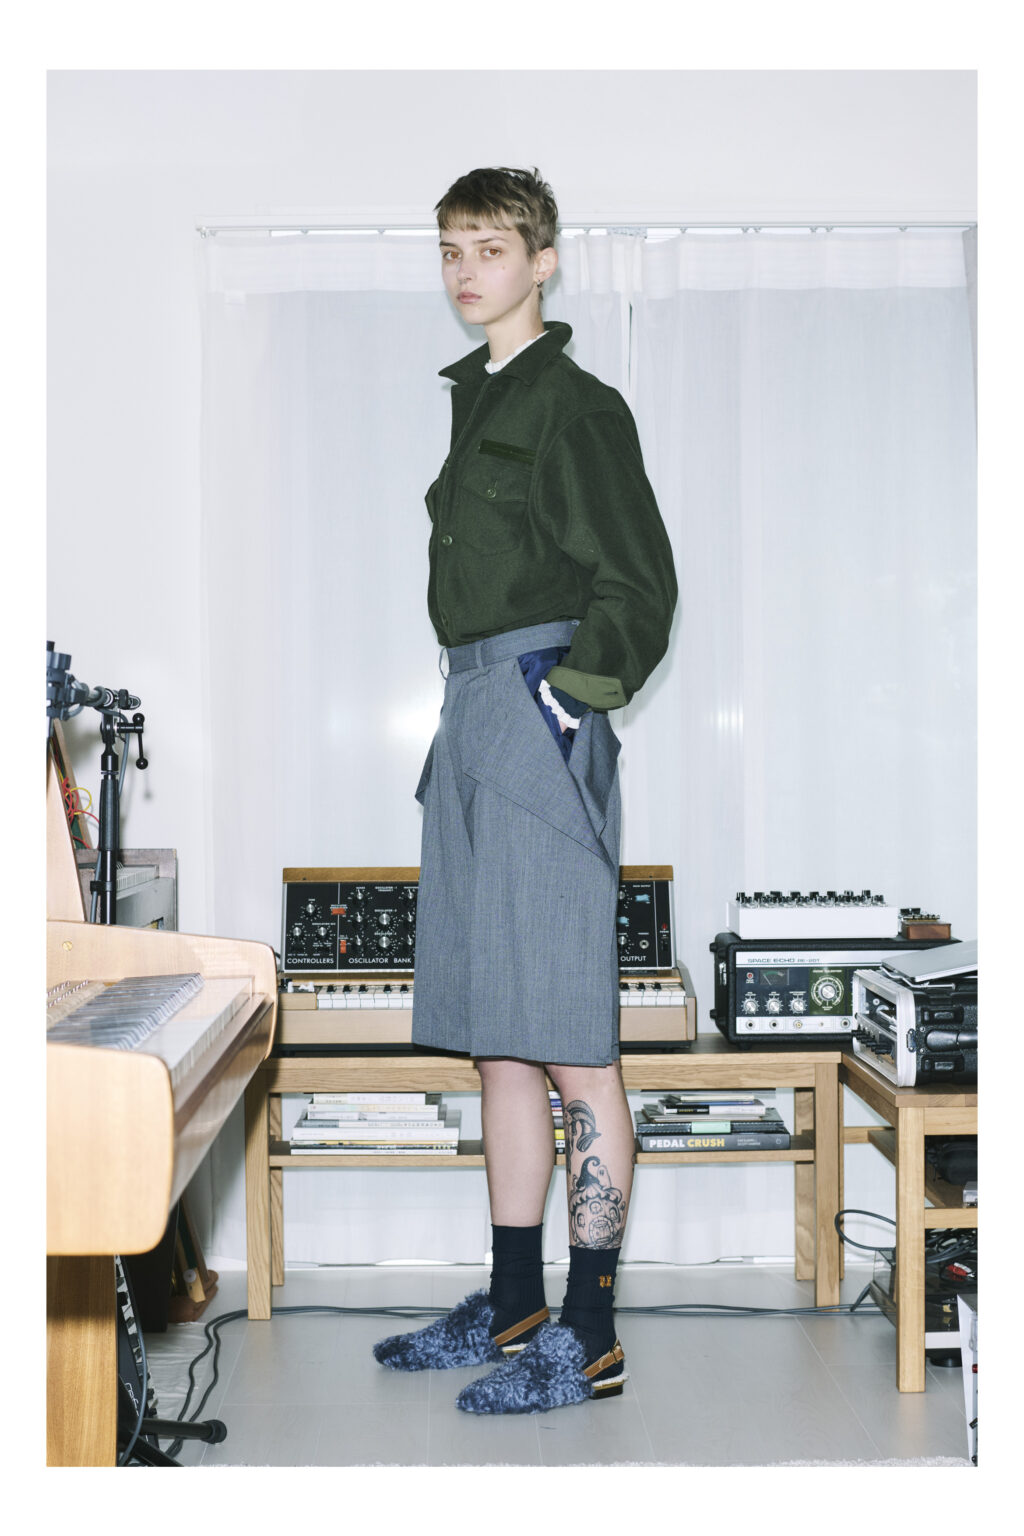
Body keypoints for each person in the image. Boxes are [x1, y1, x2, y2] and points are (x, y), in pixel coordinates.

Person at [373, 167, 677, 1414]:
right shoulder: (479, 399)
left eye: (489, 248)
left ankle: (588, 1336)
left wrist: (567, 701)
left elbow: (639, 584)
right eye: (450, 250)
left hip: (535, 709)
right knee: (500, 1034)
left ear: (542, 261)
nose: (465, 271)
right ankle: (513, 1306)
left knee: (570, 1040)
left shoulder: (577, 406)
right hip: (470, 709)